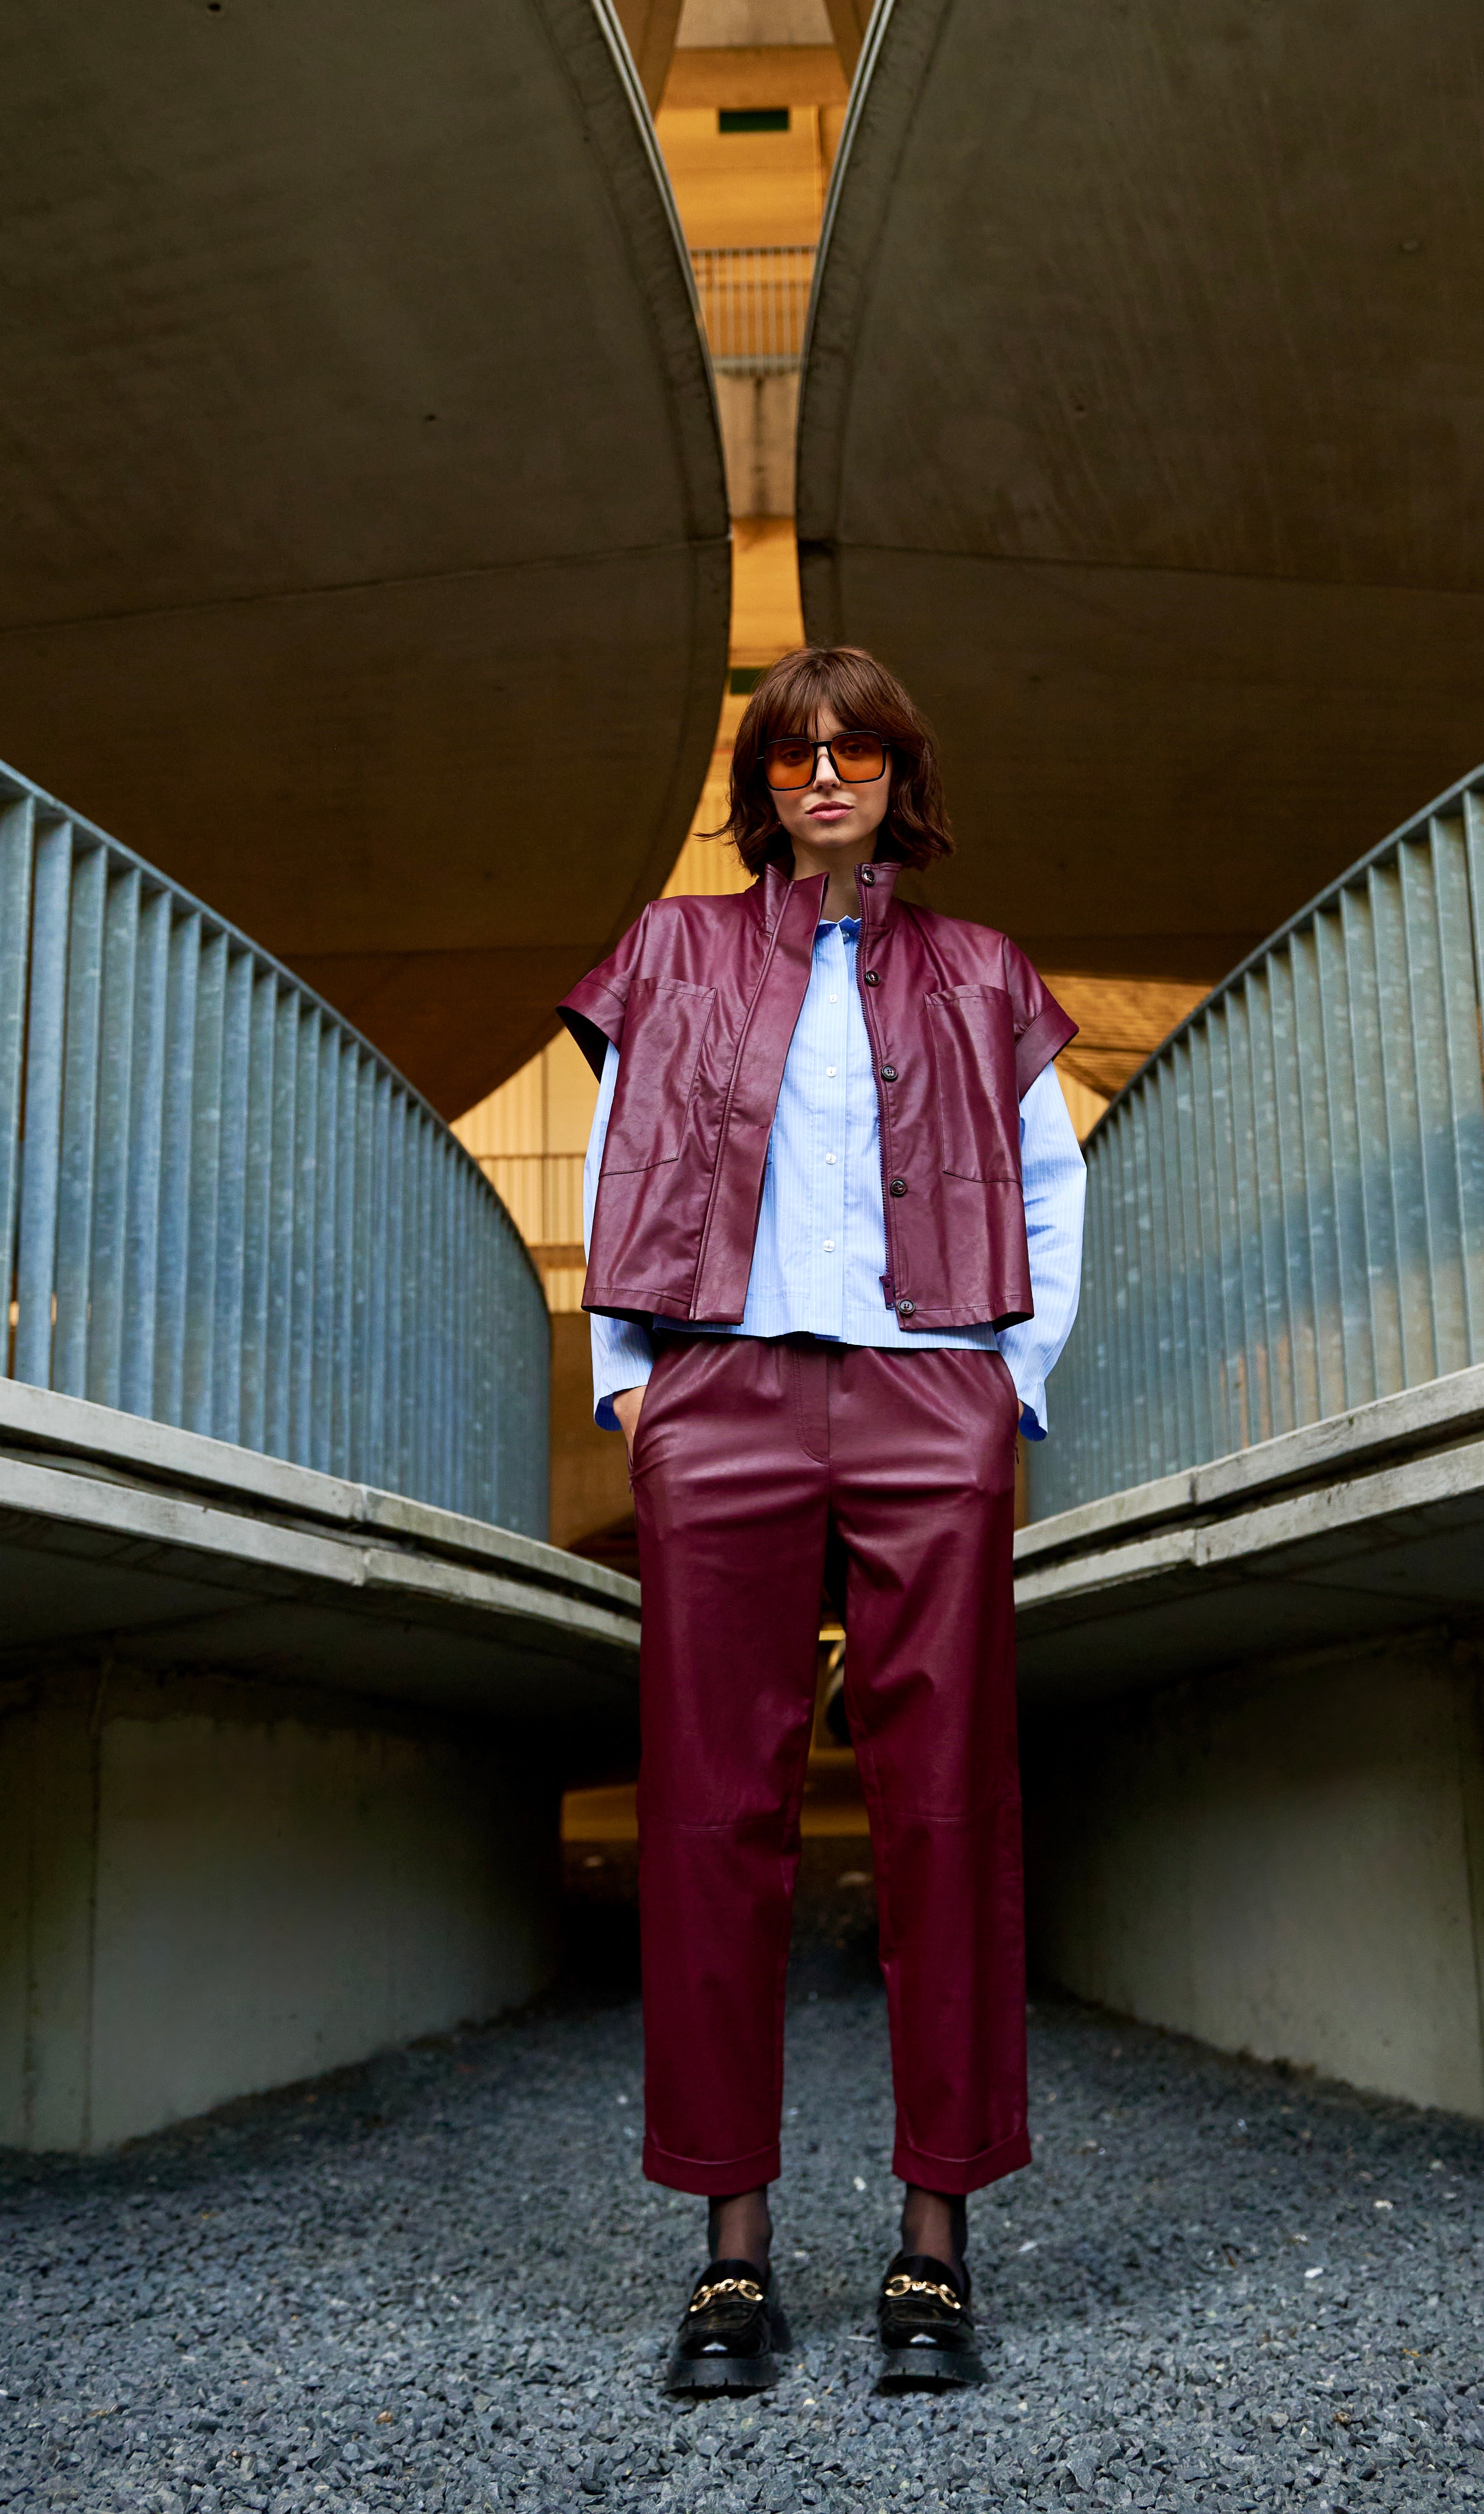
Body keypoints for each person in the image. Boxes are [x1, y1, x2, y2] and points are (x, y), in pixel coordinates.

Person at [558, 644, 1086, 2395]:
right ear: (764, 783)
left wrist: (1006, 1385)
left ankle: (935, 2243)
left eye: (859, 751)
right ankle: (731, 2251)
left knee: (945, 1807)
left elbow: (1052, 1182)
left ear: (900, 779)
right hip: (721, 1393)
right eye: (797, 753)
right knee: (712, 1812)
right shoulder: (672, 947)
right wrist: (630, 1386)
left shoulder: (982, 969)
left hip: (933, 1389)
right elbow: (616, 1154)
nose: (829, 776)